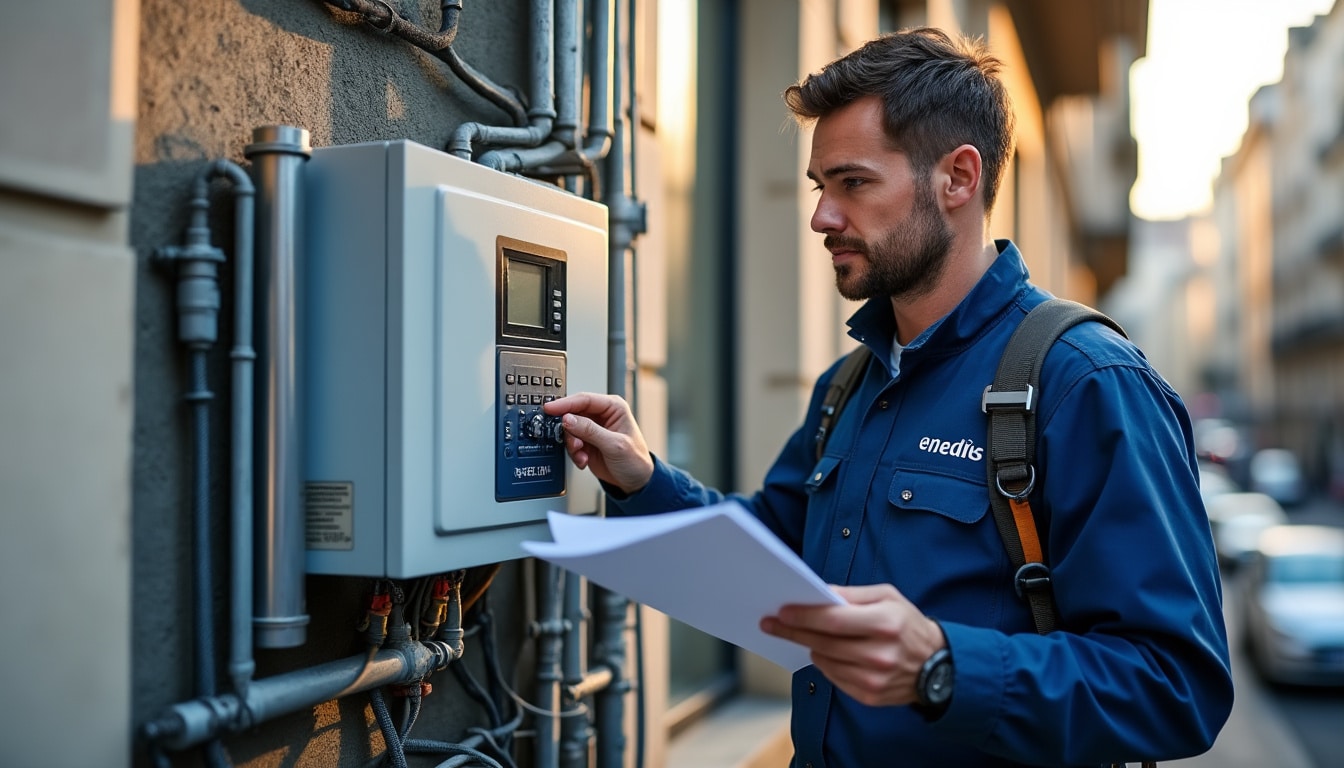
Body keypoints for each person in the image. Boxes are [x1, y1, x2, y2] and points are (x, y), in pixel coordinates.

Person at [543, 27, 1232, 768]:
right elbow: (770, 553)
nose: (821, 217)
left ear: (958, 179)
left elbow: (1175, 686)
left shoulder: (1087, 383)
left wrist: (944, 666)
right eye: (820, 187)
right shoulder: (849, 385)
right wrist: (643, 481)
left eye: (854, 183)